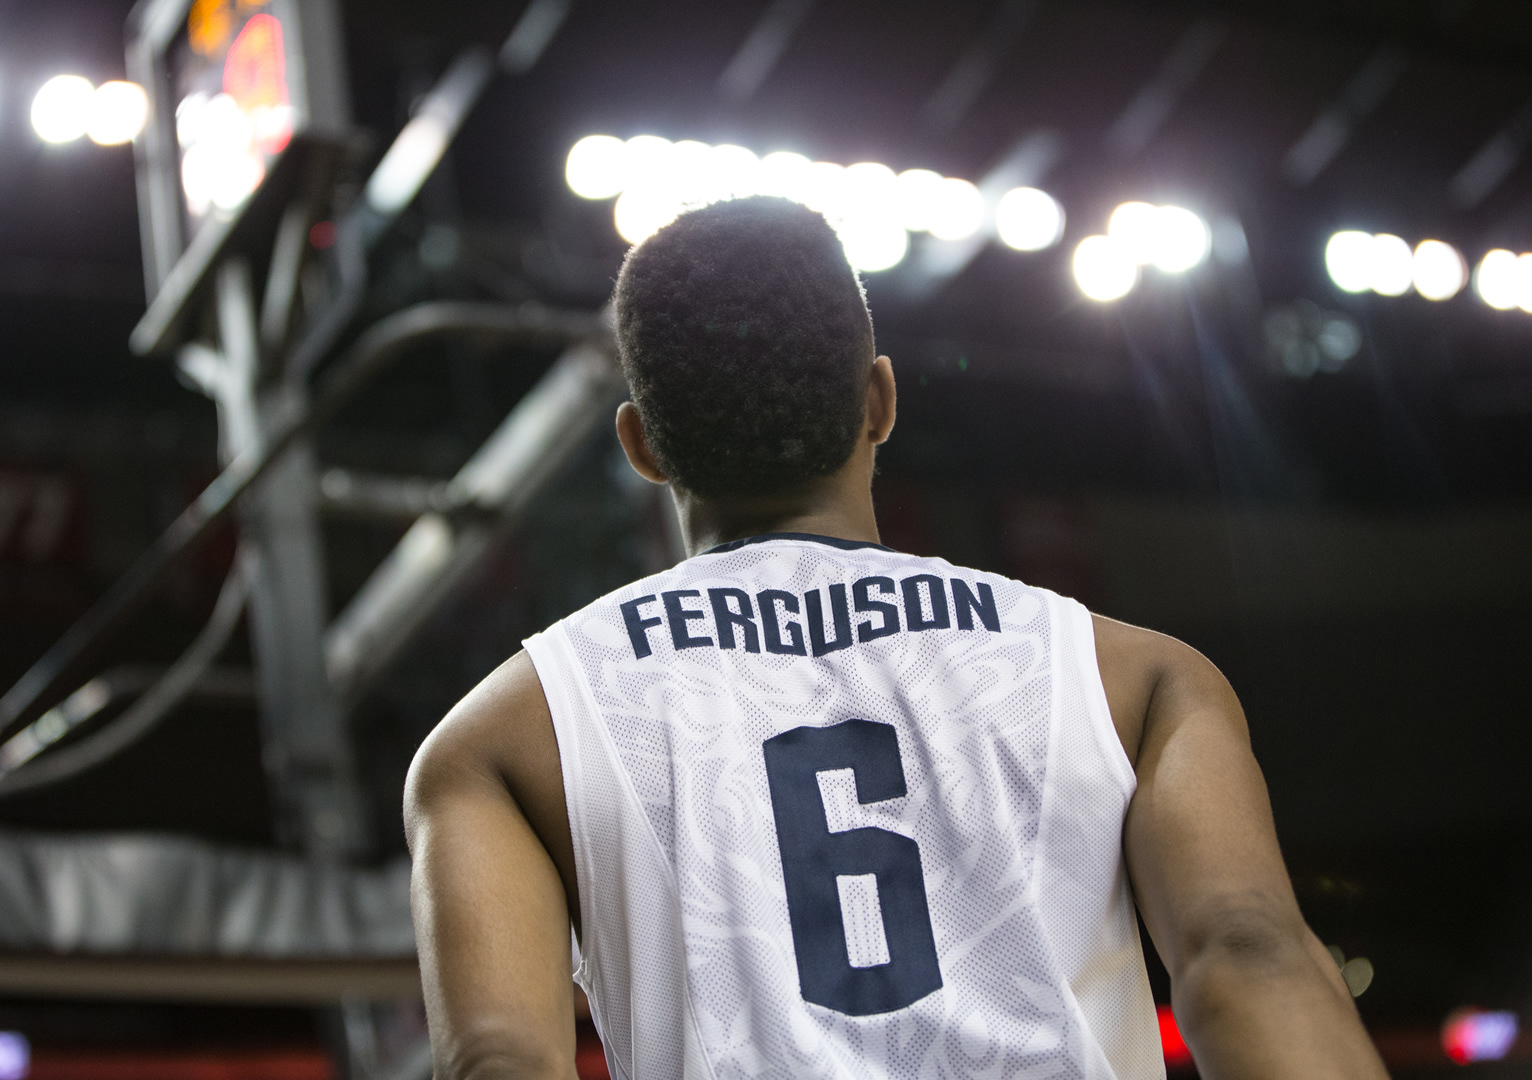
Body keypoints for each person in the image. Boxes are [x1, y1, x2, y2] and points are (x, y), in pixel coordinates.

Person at [404, 196, 1388, 1079]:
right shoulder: (1138, 678)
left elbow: (499, 1060)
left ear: (642, 446)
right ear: (879, 401)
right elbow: (1248, 957)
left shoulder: (500, 741)